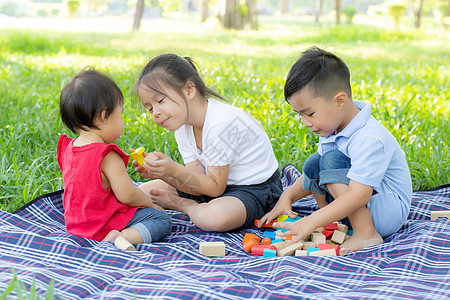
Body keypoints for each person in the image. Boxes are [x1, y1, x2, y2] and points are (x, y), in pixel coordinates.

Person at [258, 47, 412, 252]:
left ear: (340, 101)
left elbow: (360, 195)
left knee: (331, 160)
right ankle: (333, 224)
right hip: (354, 205)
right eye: (300, 115)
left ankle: (366, 233)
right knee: (315, 162)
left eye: (310, 113)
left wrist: (311, 221)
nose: (305, 122)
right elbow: (315, 171)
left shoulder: (369, 138)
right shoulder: (332, 127)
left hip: (384, 213)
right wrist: (287, 197)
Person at [132, 53, 283, 232]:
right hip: (213, 187)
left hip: (255, 190)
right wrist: (163, 174)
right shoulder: (182, 126)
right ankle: (193, 205)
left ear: (189, 89)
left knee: (213, 218)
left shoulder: (220, 124)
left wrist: (173, 170)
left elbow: (215, 188)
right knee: (142, 193)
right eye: (149, 108)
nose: (155, 112)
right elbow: (197, 185)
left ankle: (187, 207)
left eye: (160, 101)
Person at [57, 68, 172, 250]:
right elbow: (128, 195)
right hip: (102, 225)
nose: (123, 121)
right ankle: (120, 237)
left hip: (77, 225)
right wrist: (150, 204)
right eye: (120, 114)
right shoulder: (106, 155)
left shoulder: (69, 148)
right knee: (161, 220)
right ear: (104, 115)